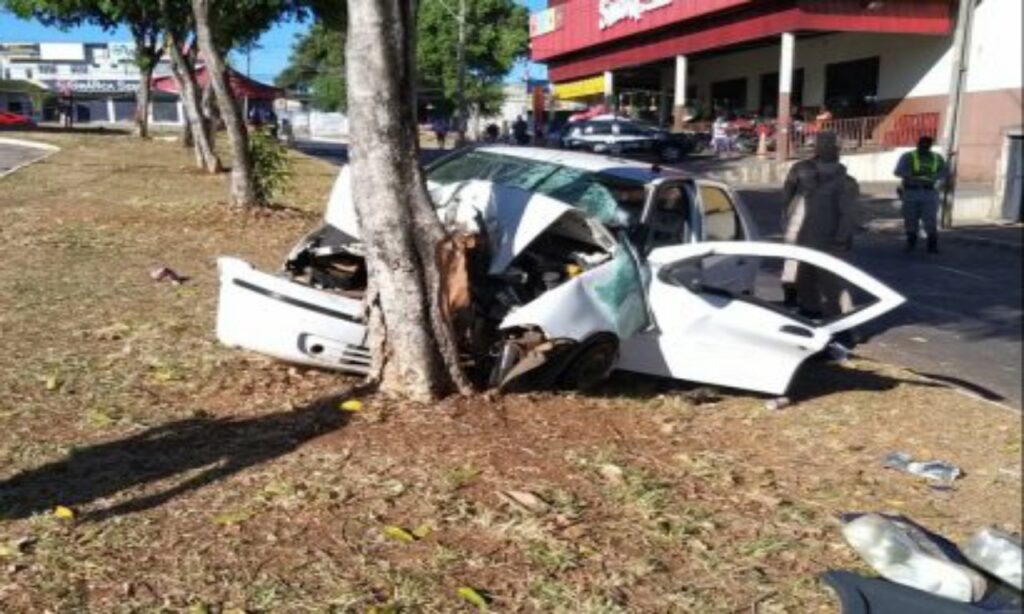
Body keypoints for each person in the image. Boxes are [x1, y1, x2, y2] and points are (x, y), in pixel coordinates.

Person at [781, 131, 860, 320]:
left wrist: (841, 240)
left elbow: (848, 215)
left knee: (833, 283)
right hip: (804, 236)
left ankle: (844, 322)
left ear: (836, 149)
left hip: (830, 241)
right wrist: (786, 220)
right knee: (804, 278)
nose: (824, 147)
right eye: (821, 144)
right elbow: (787, 195)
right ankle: (810, 312)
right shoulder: (801, 168)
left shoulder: (846, 183)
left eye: (828, 144)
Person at [894, 135, 947, 254]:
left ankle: (932, 245)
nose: (924, 147)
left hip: (929, 192)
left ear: (930, 146)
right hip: (911, 191)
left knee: (930, 219)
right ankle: (911, 242)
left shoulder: (936, 158)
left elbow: (944, 172)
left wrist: (933, 177)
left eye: (926, 145)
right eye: (922, 144)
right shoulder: (908, 156)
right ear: (918, 144)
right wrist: (911, 176)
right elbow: (898, 171)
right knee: (910, 218)